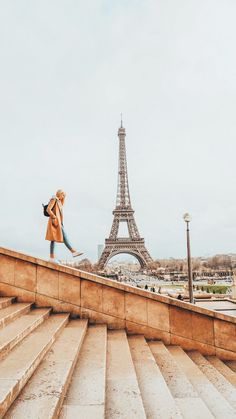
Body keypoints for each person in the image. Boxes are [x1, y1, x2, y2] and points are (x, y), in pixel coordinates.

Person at [45, 189, 83, 262]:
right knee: (61, 236)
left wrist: (63, 199)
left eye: (64, 196)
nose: (63, 197)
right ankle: (73, 251)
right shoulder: (54, 199)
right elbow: (48, 209)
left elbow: (61, 207)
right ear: (59, 194)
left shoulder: (58, 202)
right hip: (55, 222)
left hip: (58, 223)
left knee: (55, 239)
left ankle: (52, 257)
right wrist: (54, 217)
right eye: (63, 195)